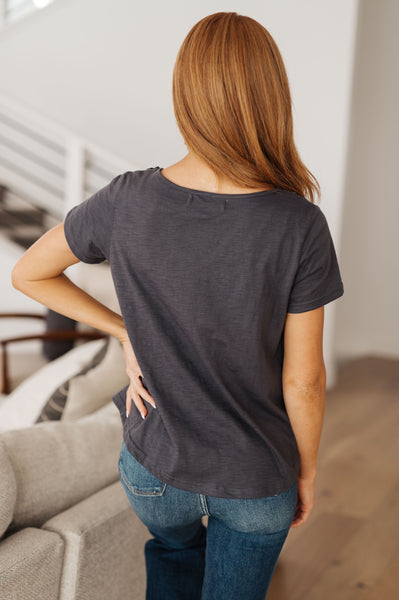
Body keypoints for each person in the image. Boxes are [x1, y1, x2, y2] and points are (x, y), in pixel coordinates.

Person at [11, 11, 344, 600]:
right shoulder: (300, 225)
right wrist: (307, 472)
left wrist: (122, 331)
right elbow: (305, 380)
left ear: (185, 96)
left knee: (170, 554)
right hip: (255, 476)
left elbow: (28, 272)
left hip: (154, 472)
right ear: (271, 97)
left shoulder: (126, 200)